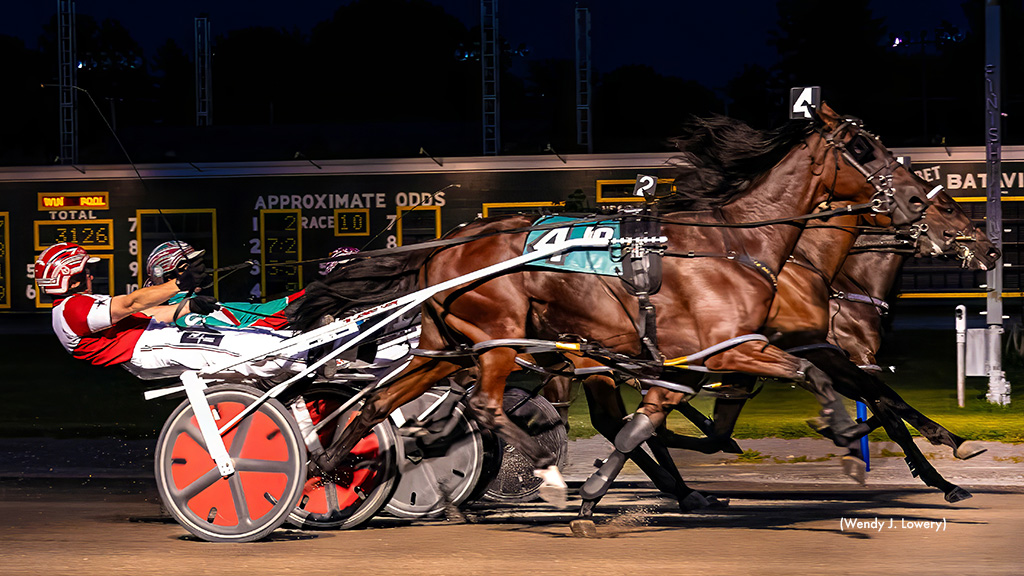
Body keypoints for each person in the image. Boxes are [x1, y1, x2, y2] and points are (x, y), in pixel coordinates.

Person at [35, 242, 308, 381]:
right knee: (242, 348)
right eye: (86, 271)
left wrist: (189, 304)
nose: (91, 275)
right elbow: (130, 304)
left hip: (152, 340)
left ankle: (309, 352)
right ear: (71, 278)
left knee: (247, 340)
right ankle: (310, 360)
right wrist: (178, 283)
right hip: (148, 347)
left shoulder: (73, 308)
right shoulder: (71, 308)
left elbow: (150, 315)